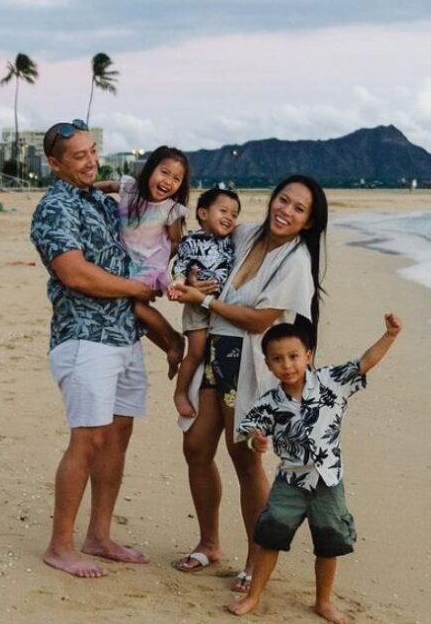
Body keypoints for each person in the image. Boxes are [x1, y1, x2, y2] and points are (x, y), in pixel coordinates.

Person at [168, 174, 327, 593]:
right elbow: (205, 235)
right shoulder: (247, 233)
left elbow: (260, 321)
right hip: (215, 350)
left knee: (244, 459)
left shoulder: (296, 261)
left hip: (250, 361)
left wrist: (204, 300)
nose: (285, 211)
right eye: (283, 200)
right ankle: (209, 543)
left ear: (309, 222)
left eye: (298, 208)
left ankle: (257, 561)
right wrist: (192, 278)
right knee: (196, 446)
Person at [29, 119, 157, 578]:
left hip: (124, 335)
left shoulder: (100, 203)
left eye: (93, 151)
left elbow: (153, 206)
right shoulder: (54, 208)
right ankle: (60, 545)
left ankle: (99, 536)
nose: (90, 161)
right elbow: (75, 273)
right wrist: (136, 288)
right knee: (88, 439)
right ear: (54, 163)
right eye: (79, 156)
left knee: (118, 435)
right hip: (85, 337)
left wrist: (110, 185)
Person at [226, 314, 403, 622]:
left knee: (329, 542)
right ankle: (253, 596)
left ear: (307, 356)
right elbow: (250, 432)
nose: (287, 364)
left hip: (328, 480)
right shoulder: (269, 402)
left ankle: (323, 602)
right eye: (278, 359)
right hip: (289, 482)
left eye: (293, 356)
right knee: (269, 538)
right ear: (268, 364)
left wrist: (389, 335)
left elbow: (364, 363)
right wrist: (258, 442)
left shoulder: (331, 381)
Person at [102, 146, 190, 378]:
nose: (168, 181)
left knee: (133, 307)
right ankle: (170, 346)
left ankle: (174, 340)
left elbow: (176, 241)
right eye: (164, 172)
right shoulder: (130, 189)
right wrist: (81, 190)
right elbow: (107, 186)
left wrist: (159, 266)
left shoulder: (170, 209)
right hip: (125, 262)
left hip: (149, 265)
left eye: (176, 178)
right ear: (150, 169)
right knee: (134, 313)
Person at [171, 187, 241, 418]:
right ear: (203, 213)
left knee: (215, 354)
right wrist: (180, 283)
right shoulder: (191, 241)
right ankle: (180, 393)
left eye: (234, 214)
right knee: (197, 351)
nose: (229, 217)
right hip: (196, 305)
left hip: (220, 305)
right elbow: (180, 265)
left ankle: (206, 391)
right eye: (223, 211)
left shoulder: (229, 241)